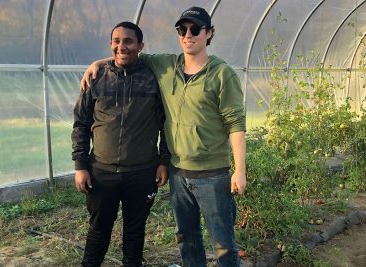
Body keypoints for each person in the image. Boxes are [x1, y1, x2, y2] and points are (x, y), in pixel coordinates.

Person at [80, 7, 246, 267]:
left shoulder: (222, 74)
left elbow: (236, 123)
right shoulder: (168, 65)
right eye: (182, 29)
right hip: (178, 173)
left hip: (212, 173)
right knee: (186, 238)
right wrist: (99, 63)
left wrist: (239, 171)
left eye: (195, 29)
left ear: (209, 33)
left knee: (222, 242)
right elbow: (127, 54)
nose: (188, 35)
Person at [71, 21, 170, 267]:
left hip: (142, 172)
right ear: (110, 45)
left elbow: (166, 124)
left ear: (140, 46)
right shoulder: (96, 78)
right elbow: (81, 124)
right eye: (116, 41)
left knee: (135, 231)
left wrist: (163, 161)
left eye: (128, 41)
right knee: (98, 230)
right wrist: (80, 165)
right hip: (101, 172)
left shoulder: (153, 79)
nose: (121, 46)